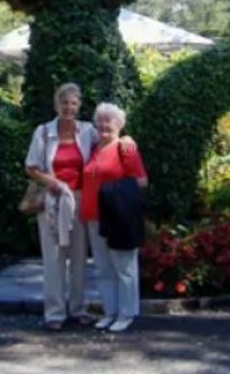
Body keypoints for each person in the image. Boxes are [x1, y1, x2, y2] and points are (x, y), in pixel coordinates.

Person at [24, 83, 137, 331]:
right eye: (64, 103)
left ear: (79, 106)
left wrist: (128, 137)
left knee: (78, 258)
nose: (69, 108)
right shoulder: (43, 132)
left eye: (74, 103)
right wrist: (51, 181)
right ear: (57, 105)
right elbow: (31, 167)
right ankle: (54, 313)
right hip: (54, 199)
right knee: (54, 258)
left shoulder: (87, 130)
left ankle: (77, 309)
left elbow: (111, 137)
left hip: (82, 199)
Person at [80, 102, 148, 333]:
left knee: (124, 267)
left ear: (119, 124)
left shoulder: (125, 148)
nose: (103, 125)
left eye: (108, 121)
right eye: (100, 121)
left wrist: (111, 190)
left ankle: (126, 313)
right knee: (102, 268)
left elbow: (140, 181)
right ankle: (110, 311)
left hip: (118, 217)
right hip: (94, 216)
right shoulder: (92, 148)